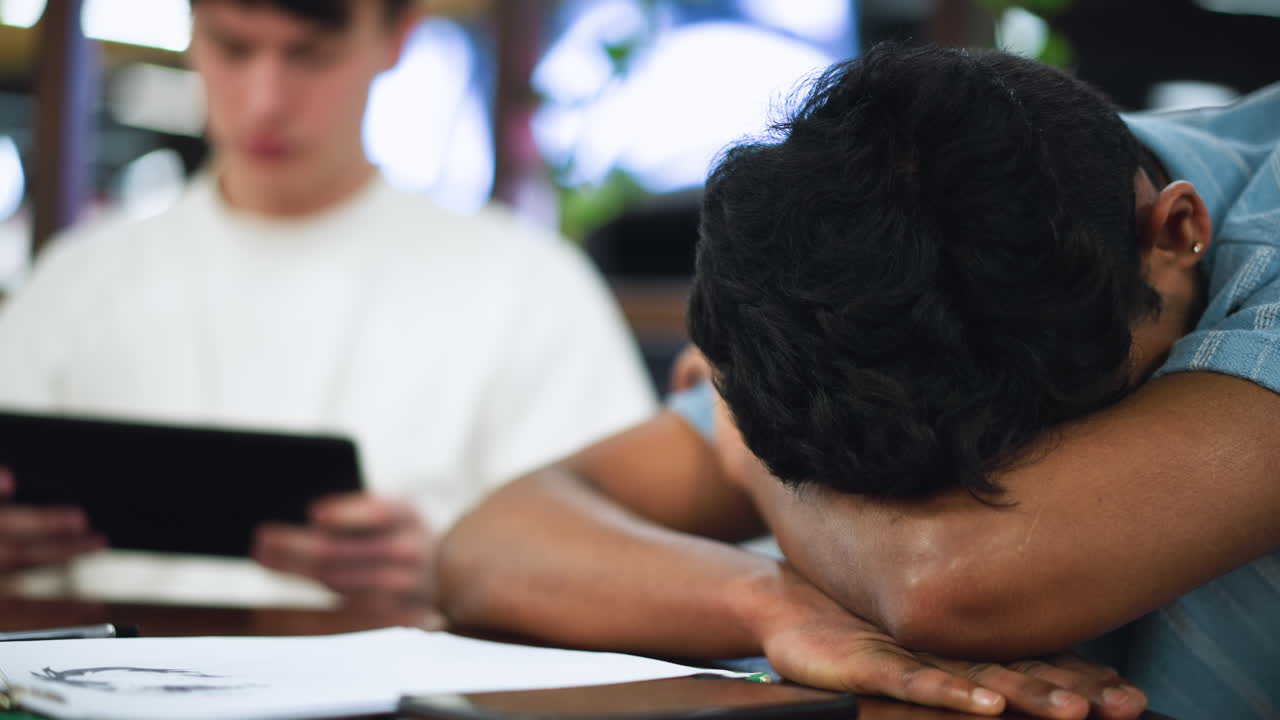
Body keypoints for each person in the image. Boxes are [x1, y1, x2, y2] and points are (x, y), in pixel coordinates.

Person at [436, 44, 1280, 719]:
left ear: (1178, 232)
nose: (961, 490)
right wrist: (777, 608)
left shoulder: (1053, 263)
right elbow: (490, 545)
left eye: (1043, 444)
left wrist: (744, 451)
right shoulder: (886, 260)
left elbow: (943, 583)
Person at [0, 0, 655, 608]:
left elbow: (633, 560)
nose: (264, 101)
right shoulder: (77, 281)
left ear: (398, 34)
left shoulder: (529, 286)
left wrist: (454, 570)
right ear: (192, 29)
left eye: (310, 55)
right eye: (232, 48)